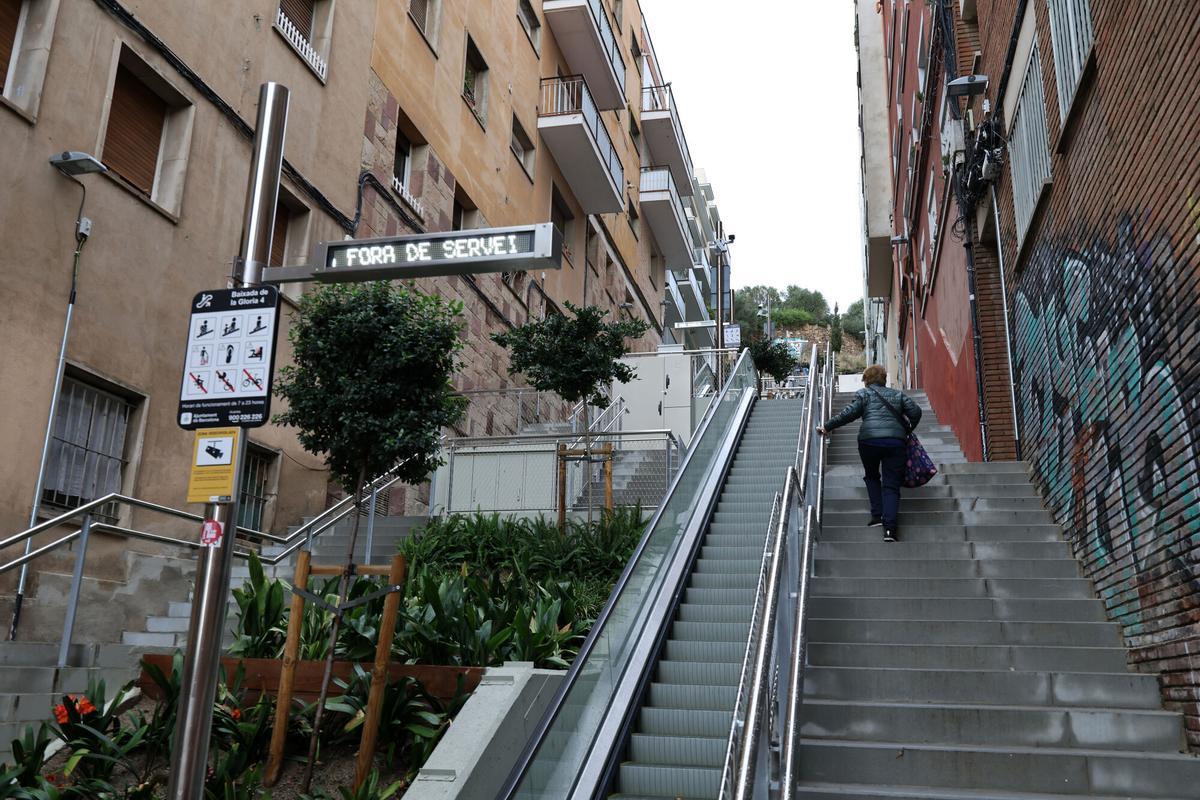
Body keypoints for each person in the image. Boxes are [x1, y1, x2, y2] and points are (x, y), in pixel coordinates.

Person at [817, 365, 921, 542]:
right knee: (891, 485)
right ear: (884, 379)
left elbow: (848, 414)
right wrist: (907, 429)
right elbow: (916, 412)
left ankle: (877, 516)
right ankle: (890, 530)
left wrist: (827, 426)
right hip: (895, 442)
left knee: (872, 476)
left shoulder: (863, 394)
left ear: (866, 380)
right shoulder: (897, 394)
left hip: (869, 441)